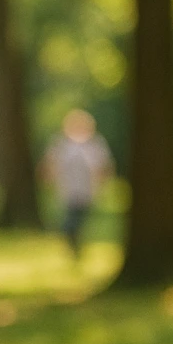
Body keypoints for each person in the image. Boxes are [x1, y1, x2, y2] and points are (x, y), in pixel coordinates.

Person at [41, 109, 114, 259]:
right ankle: (72, 242)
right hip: (68, 188)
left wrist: (103, 184)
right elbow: (50, 164)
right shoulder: (62, 144)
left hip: (87, 189)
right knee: (73, 217)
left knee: (78, 218)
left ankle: (73, 243)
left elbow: (103, 167)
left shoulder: (94, 145)